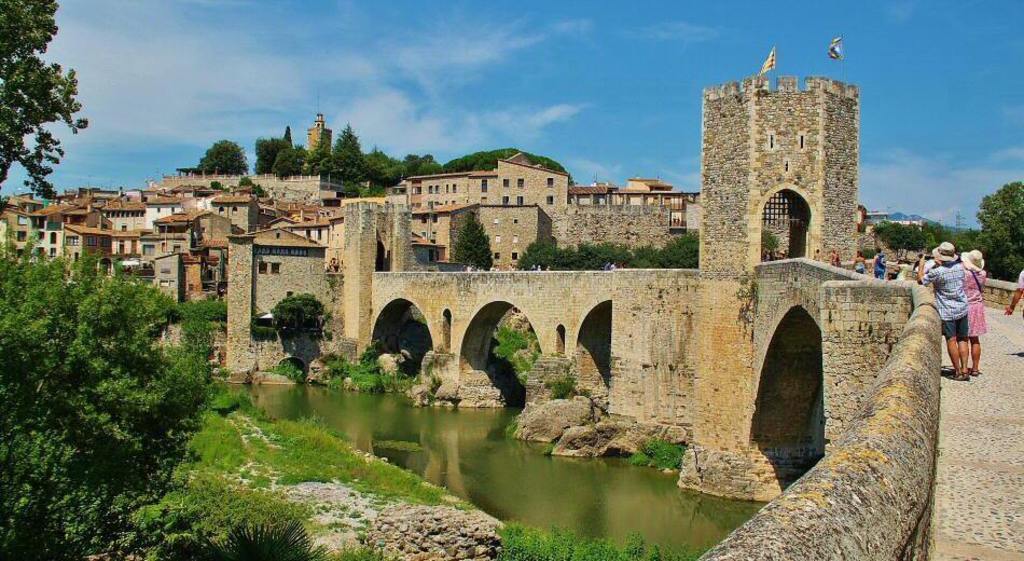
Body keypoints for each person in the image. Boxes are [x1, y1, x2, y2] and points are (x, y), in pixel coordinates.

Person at [919, 242, 971, 381]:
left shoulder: (937, 272)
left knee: (951, 339)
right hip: (962, 307)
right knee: (963, 339)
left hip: (947, 310)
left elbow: (921, 281)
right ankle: (966, 370)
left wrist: (921, 264)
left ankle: (958, 372)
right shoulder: (960, 268)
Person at [961, 250, 987, 376]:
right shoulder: (983, 274)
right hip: (977, 306)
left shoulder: (964, 272)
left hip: (965, 306)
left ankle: (964, 367)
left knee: (963, 338)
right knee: (975, 339)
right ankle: (975, 368)